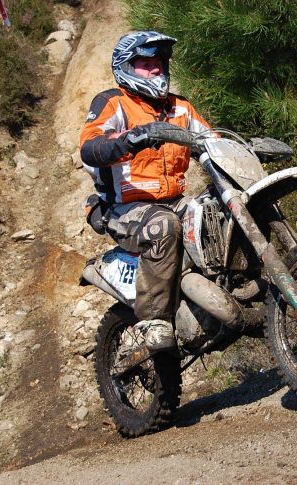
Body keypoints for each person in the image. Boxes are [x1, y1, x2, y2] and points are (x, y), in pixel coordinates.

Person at [79, 31, 211, 352]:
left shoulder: (180, 108)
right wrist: (128, 139)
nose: (155, 69)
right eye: (145, 63)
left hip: (174, 200)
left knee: (213, 215)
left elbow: (211, 141)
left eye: (159, 63)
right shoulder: (113, 103)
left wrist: (240, 149)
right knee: (163, 227)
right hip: (124, 207)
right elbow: (91, 146)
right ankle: (153, 321)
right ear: (126, 66)